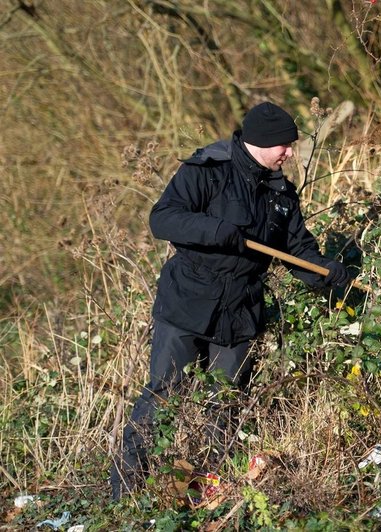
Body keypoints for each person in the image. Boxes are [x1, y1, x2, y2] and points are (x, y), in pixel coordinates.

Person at [110, 102, 351, 500]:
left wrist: (327, 272)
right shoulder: (207, 169)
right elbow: (162, 219)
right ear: (262, 142)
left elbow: (297, 250)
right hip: (187, 302)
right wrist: (214, 229)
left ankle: (209, 493)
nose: (290, 153)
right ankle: (126, 490)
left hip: (239, 313)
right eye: (285, 146)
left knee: (226, 404)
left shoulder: (281, 194)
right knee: (164, 394)